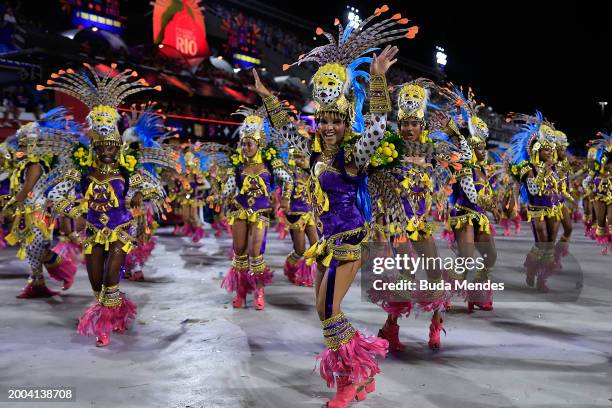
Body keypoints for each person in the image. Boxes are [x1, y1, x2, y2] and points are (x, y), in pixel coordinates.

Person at [272, 6, 417, 406]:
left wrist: (378, 80)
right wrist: (269, 100)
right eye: (324, 118)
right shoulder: (314, 150)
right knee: (324, 316)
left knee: (331, 313)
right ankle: (360, 374)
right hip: (327, 243)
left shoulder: (354, 153)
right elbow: (286, 134)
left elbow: (376, 125)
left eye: (336, 118)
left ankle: (352, 380)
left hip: (349, 241)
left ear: (345, 116)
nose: (330, 125)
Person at [42, 63, 176, 347]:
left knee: (111, 275)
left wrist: (140, 196)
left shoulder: (129, 171)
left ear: (118, 147)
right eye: (101, 146)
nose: (106, 151)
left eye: (111, 146)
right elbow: (55, 194)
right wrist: (76, 210)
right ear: (94, 147)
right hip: (92, 231)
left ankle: (104, 325)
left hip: (121, 228)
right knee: (95, 281)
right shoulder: (81, 171)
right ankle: (114, 310)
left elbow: (156, 190)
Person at [1, 108, 80, 298]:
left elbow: (28, 187)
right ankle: (37, 284)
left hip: (39, 211)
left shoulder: (36, 164)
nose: (22, 147)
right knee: (31, 249)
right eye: (22, 143)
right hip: (26, 211)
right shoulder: (24, 163)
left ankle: (66, 271)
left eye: (26, 144)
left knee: (38, 248)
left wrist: (10, 205)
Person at [509, 112, 562, 291]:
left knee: (550, 245)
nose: (550, 152)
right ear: (537, 150)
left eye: (551, 149)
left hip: (553, 209)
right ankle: (534, 271)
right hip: (537, 209)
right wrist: (543, 171)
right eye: (547, 149)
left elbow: (557, 189)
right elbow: (532, 190)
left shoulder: (555, 168)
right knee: (543, 242)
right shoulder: (527, 168)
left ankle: (542, 277)